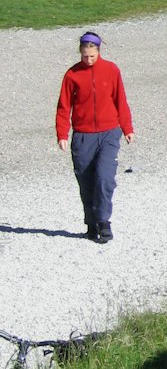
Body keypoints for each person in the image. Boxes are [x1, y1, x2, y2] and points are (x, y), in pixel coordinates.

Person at [55, 31, 134, 243]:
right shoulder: (72, 75)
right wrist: (62, 134)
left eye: (92, 56)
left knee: (104, 178)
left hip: (109, 133)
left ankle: (104, 220)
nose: (88, 60)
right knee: (86, 182)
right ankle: (91, 223)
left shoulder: (111, 70)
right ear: (80, 53)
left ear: (99, 51)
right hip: (82, 136)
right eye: (84, 56)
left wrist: (127, 128)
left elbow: (121, 100)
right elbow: (64, 107)